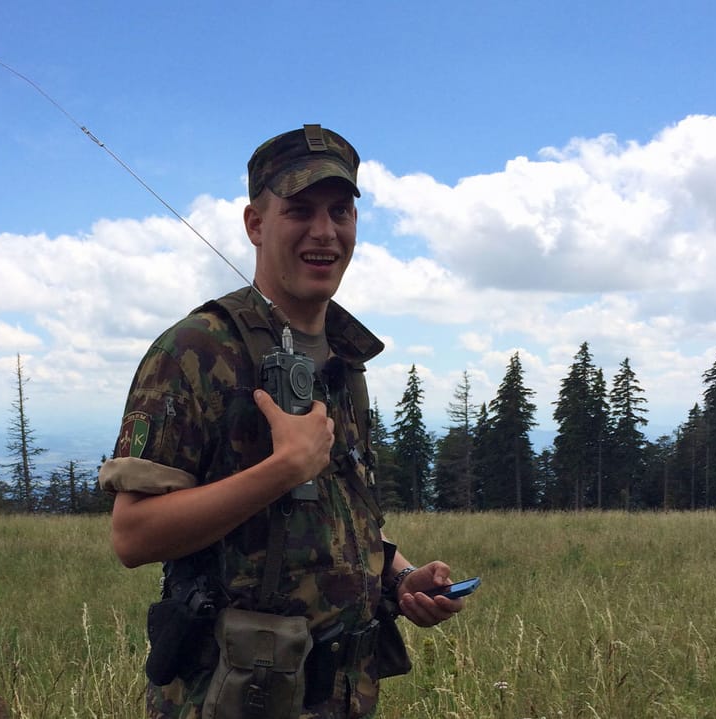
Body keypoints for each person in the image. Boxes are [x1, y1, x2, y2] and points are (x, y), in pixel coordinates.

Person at [100, 124, 464, 719]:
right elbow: (133, 535)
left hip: (339, 697)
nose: (324, 231)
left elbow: (336, 518)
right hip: (230, 698)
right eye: (299, 210)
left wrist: (400, 579)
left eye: (340, 211)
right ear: (255, 224)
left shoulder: (344, 359)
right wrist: (282, 469)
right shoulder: (197, 350)